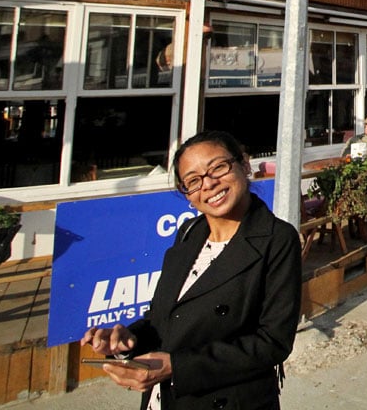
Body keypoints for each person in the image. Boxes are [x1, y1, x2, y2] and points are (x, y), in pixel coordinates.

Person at [81, 131, 302, 409]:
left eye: (219, 167)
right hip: (165, 399)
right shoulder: (189, 232)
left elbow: (273, 342)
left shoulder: (277, 239)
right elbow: (164, 318)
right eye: (193, 180)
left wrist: (178, 367)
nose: (208, 184)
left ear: (244, 165)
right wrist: (129, 341)